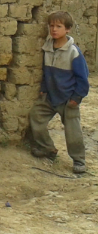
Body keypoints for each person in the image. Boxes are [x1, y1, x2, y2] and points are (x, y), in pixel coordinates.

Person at [29, 11, 89, 174]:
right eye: (52, 26)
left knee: (72, 131)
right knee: (36, 117)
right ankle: (47, 148)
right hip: (50, 97)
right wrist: (43, 90)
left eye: (59, 26)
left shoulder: (73, 52)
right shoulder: (47, 47)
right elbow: (45, 72)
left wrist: (76, 98)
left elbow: (83, 79)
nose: (54, 29)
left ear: (68, 29)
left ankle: (79, 160)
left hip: (68, 99)